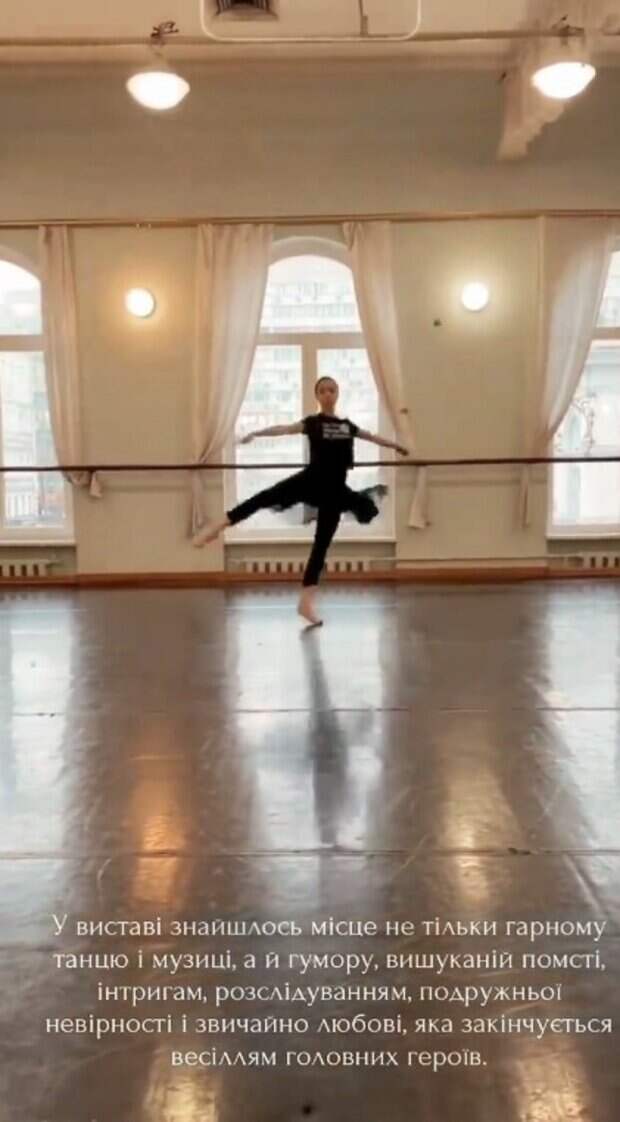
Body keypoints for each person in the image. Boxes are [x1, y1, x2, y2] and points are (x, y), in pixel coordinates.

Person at [194, 376, 409, 625]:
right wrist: (256, 433)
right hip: (311, 480)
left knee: (321, 545)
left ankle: (306, 603)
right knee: (264, 497)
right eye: (323, 390)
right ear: (317, 396)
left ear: (337, 394)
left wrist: (397, 446)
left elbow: (372, 437)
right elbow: (284, 429)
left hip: (336, 490)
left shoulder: (347, 426)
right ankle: (219, 525)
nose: (327, 394)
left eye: (332, 390)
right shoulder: (312, 423)